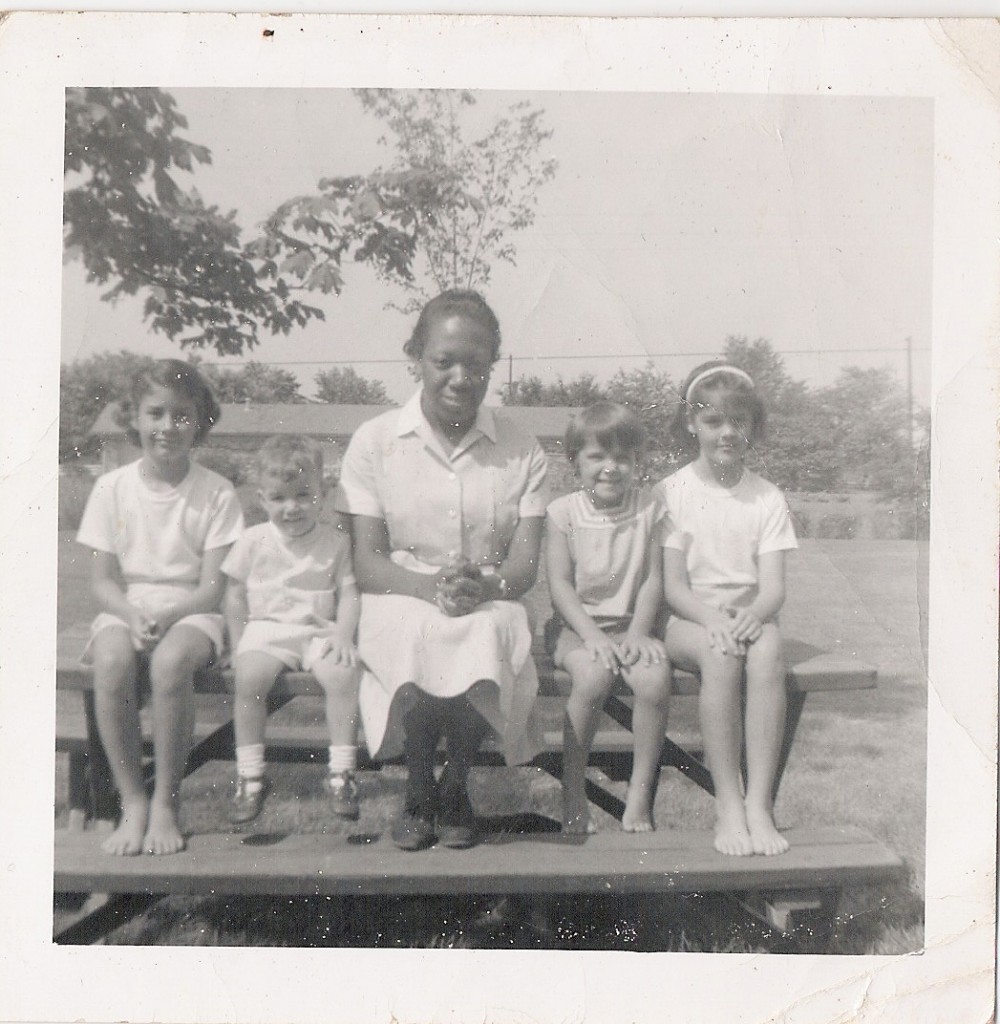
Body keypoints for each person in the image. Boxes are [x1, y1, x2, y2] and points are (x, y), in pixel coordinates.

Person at [335, 290, 548, 851]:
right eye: (443, 361)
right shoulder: (377, 442)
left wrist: (486, 586)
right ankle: (417, 788)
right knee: (423, 628)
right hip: (400, 588)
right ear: (415, 357)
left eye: (475, 364)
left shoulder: (521, 448)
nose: (460, 376)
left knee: (482, 630)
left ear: (491, 366)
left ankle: (453, 788)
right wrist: (428, 588)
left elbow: (524, 566)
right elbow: (366, 561)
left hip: (490, 590)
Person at [76, 359, 243, 855]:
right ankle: (133, 802)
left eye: (182, 415)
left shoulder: (216, 492)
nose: (167, 427)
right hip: (128, 607)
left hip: (192, 611)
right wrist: (132, 615)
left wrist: (168, 618)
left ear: (200, 421)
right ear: (134, 418)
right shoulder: (112, 488)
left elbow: (213, 587)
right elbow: (103, 582)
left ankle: (167, 801)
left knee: (170, 664)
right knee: (110, 661)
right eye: (155, 414)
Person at [656, 361, 798, 856]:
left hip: (751, 615)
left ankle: (758, 803)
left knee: (766, 655)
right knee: (720, 656)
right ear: (692, 423)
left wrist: (751, 618)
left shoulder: (767, 497)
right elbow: (673, 587)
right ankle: (728, 805)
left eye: (738, 421)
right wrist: (712, 619)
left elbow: (774, 589)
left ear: (753, 426)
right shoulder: (672, 493)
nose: (726, 433)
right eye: (713, 421)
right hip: (689, 619)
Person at [221, 435, 362, 826]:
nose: (292, 507)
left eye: (303, 495)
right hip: (267, 631)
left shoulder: (335, 542)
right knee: (249, 678)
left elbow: (350, 593)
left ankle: (342, 772)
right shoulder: (253, 541)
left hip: (319, 631)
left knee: (344, 674)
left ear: (323, 493)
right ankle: (250, 776)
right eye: (280, 498)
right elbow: (233, 593)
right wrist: (237, 642)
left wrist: (344, 635)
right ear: (262, 499)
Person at [545, 403, 672, 834]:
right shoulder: (563, 512)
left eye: (623, 457)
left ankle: (638, 794)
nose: (611, 468)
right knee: (594, 678)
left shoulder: (649, 507)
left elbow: (655, 577)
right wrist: (592, 635)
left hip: (632, 624)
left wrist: (639, 630)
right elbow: (560, 585)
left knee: (654, 681)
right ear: (575, 460)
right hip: (576, 628)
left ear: (638, 461)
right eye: (598, 456)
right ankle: (573, 790)